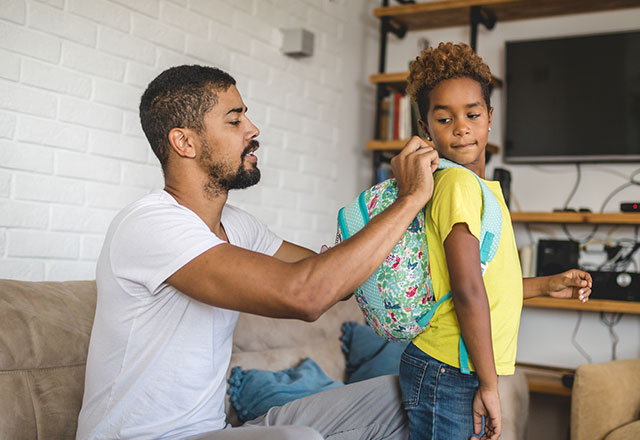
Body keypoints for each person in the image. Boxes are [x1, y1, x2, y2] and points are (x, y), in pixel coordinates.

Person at [76, 64, 439, 440]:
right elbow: (306, 295)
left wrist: (395, 204)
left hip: (215, 431)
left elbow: (337, 283)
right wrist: (410, 199)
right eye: (235, 121)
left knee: (403, 393)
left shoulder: (238, 226)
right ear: (184, 142)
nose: (252, 129)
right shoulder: (151, 225)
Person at [399, 42, 593, 440]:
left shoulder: (480, 188)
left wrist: (545, 285)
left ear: (489, 116)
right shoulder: (455, 184)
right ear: (425, 128)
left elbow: (483, 284)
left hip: (457, 365)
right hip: (450, 368)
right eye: (444, 118)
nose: (461, 127)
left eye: (472, 114)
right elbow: (468, 291)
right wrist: (489, 385)